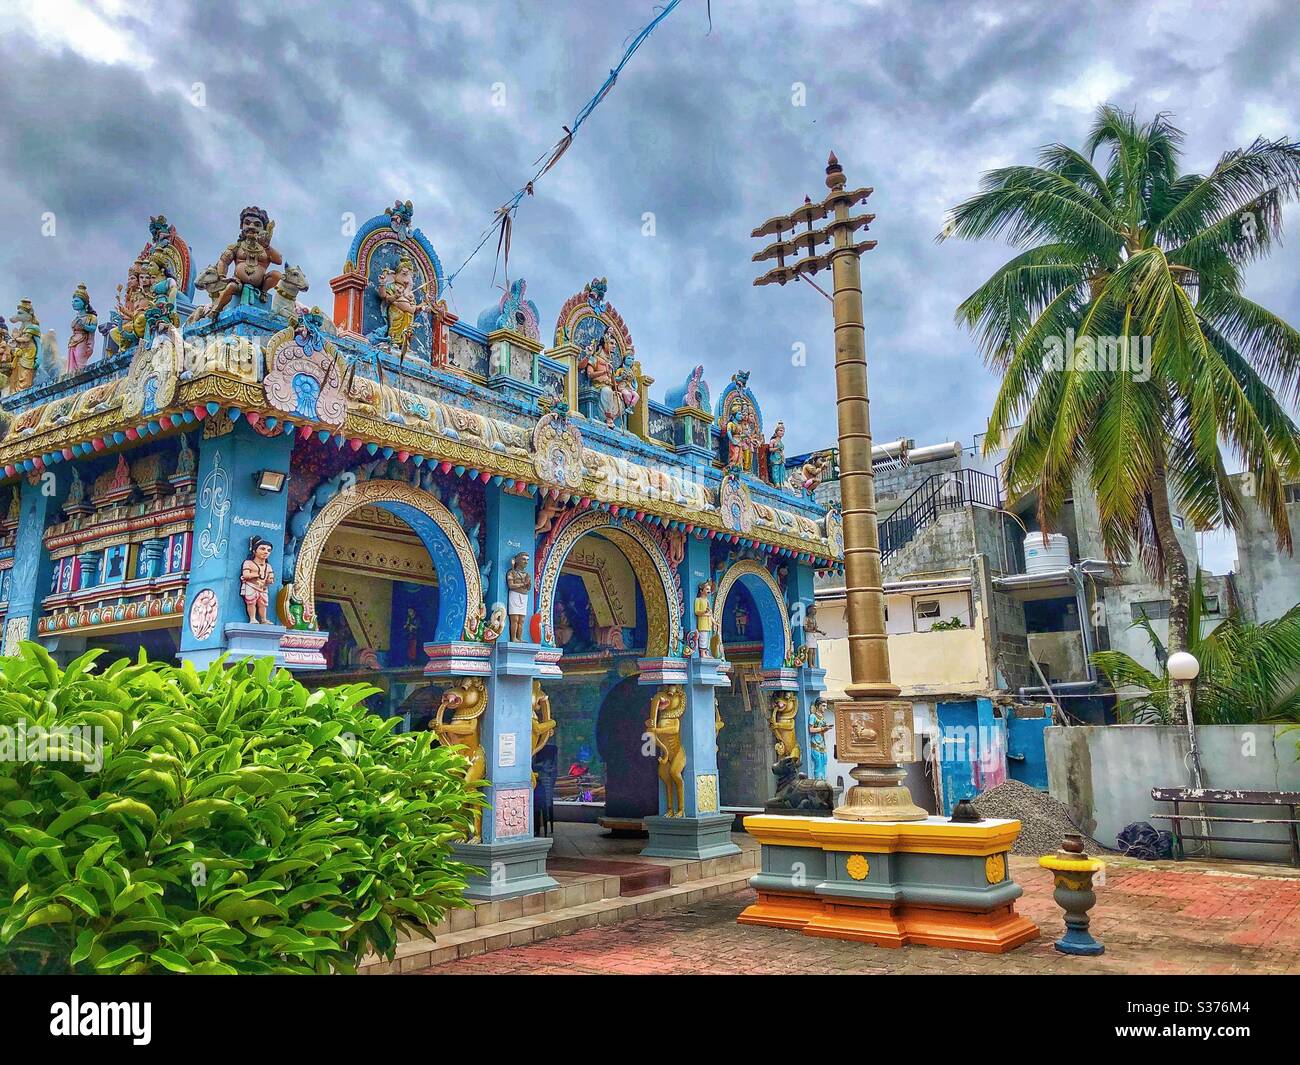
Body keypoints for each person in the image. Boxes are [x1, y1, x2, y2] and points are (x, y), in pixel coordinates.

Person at [241, 537, 275, 624]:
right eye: (262, 549)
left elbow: (271, 576)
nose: (266, 552)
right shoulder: (248, 563)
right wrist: (255, 575)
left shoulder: (268, 566)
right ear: (254, 551)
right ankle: (252, 618)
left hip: (263, 587)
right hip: (251, 585)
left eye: (269, 550)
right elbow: (245, 575)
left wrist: (270, 580)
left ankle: (263, 619)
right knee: (251, 603)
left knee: (263, 604)